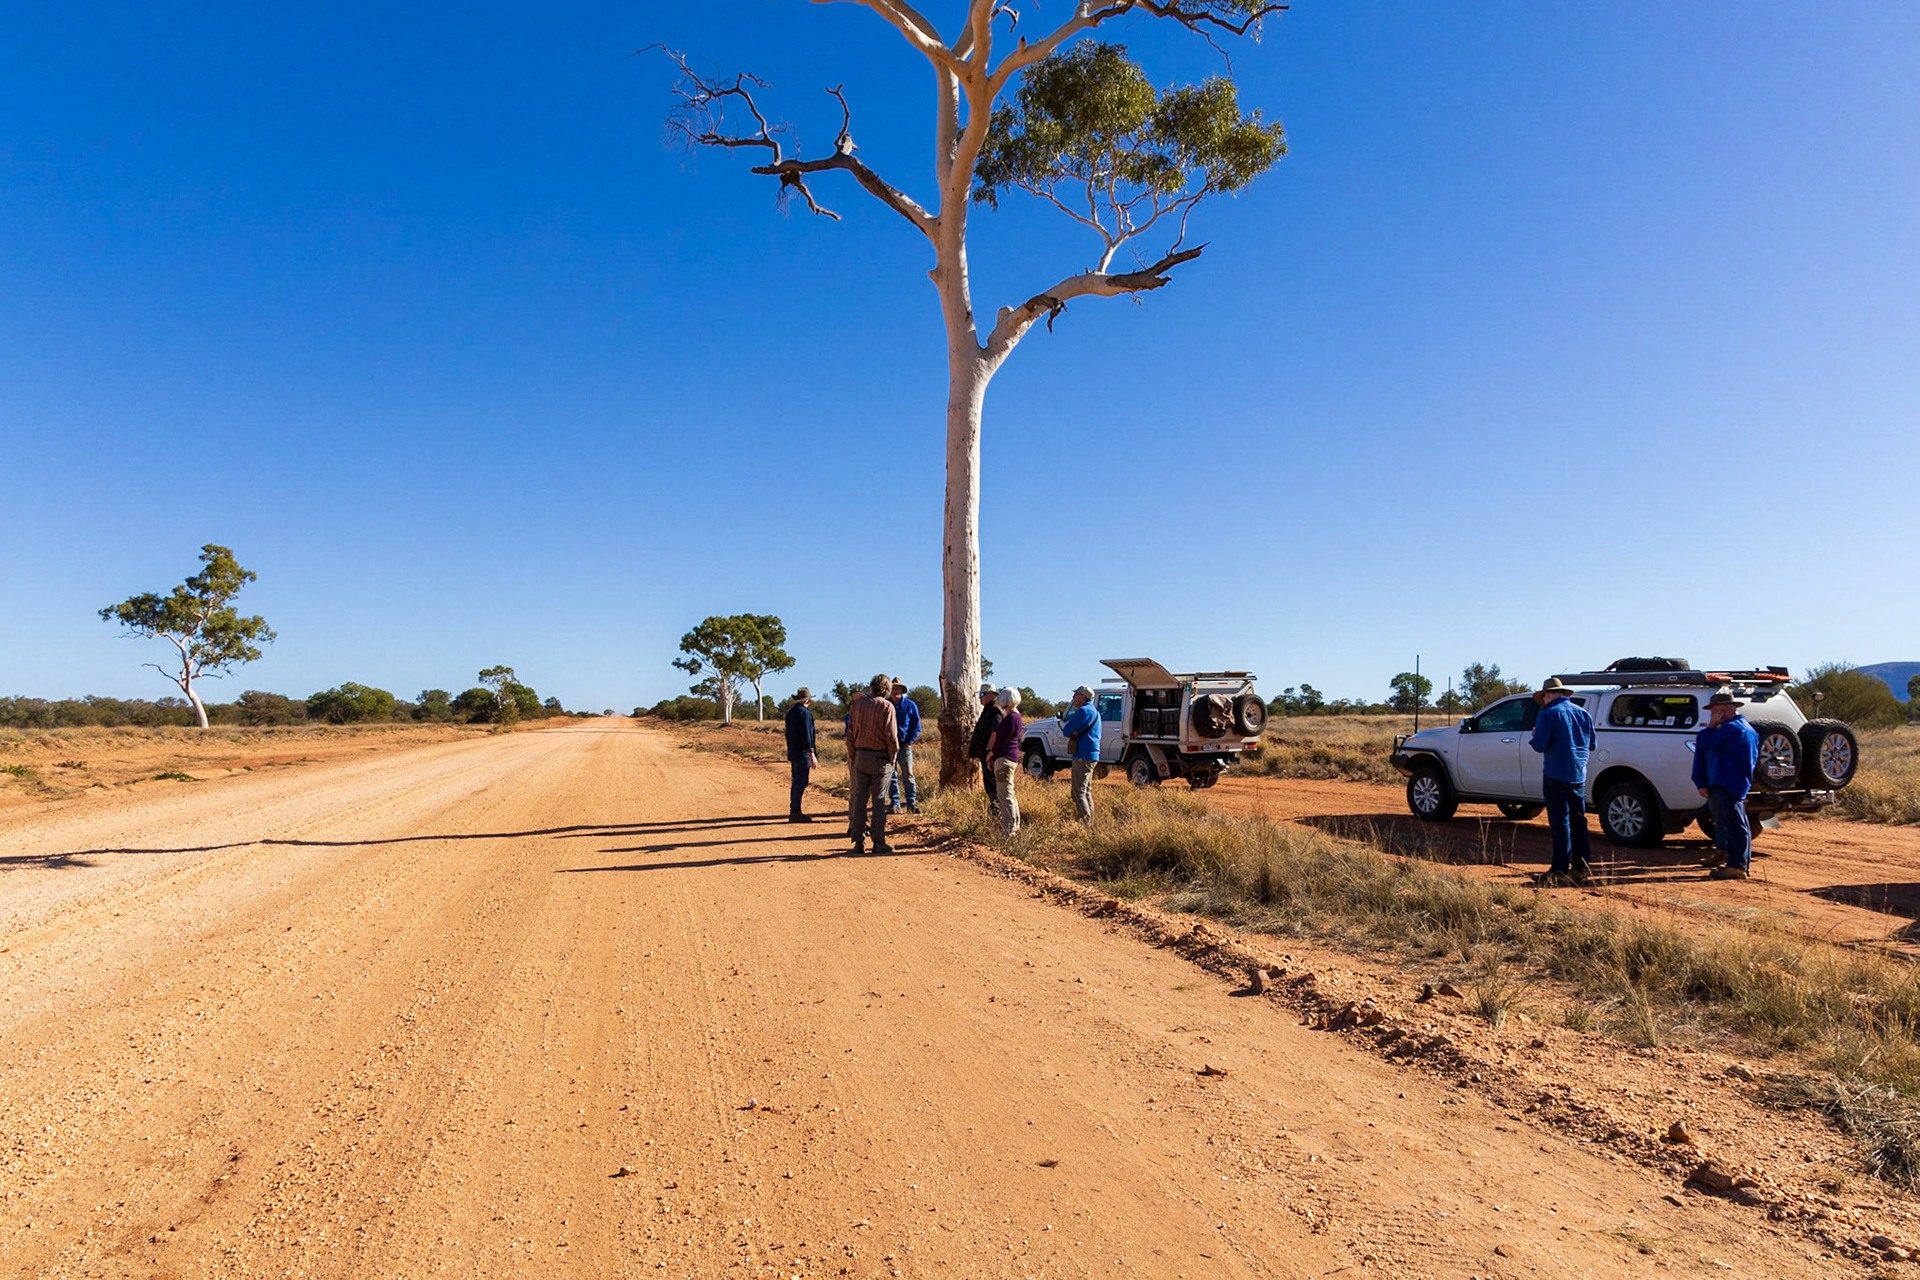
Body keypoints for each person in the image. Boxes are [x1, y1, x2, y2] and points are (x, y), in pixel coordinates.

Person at [1527, 676, 1597, 886]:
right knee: (1579, 822)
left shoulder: (1548, 714)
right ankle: (1581, 867)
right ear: (1564, 694)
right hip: (1578, 775)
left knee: (1560, 823)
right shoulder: (1583, 714)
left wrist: (1534, 735)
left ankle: (1559, 869)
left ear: (1547, 694)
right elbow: (1592, 744)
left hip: (1555, 774)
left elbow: (1540, 745)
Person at [1693, 691, 1760, 880]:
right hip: (1732, 782)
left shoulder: (1730, 730)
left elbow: (1704, 742)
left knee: (1735, 825)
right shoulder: (1746, 728)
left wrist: (1711, 726)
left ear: (1722, 711)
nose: (1711, 717)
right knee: (1731, 823)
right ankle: (1731, 859)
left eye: (1714, 712)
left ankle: (1736, 866)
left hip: (1726, 782)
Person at [844, 674, 900, 855]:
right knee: (879, 800)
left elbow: (850, 733)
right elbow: (891, 736)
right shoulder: (886, 706)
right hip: (880, 759)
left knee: (861, 799)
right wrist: (893, 756)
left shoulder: (858, 705)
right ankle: (878, 841)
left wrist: (854, 754)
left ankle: (858, 841)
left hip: (860, 756)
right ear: (886, 689)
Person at [1059, 684, 1100, 823]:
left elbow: (1066, 730)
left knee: (1078, 793)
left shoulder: (1083, 711)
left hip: (1082, 755)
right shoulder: (1095, 711)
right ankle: (1090, 823)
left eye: (1076, 695)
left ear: (1082, 697)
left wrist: (1073, 731)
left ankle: (1085, 825)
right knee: (1086, 791)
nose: (1073, 698)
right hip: (1091, 754)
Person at [988, 686, 1024, 839]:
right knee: (1008, 793)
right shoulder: (1016, 716)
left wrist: (990, 755)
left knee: (1005, 794)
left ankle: (1009, 830)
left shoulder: (1011, 718)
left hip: (1004, 758)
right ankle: (1013, 827)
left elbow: (1000, 741)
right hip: (1010, 758)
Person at [966, 681, 1002, 817]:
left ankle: (997, 811)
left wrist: (990, 752)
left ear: (991, 695)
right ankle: (995, 809)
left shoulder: (994, 710)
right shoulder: (988, 709)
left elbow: (995, 732)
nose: (980, 697)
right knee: (989, 783)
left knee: (992, 783)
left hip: (990, 755)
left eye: (982, 694)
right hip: (985, 754)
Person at [783, 687, 817, 823]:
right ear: (808, 700)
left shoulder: (790, 713)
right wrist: (812, 754)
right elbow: (807, 735)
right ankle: (795, 812)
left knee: (796, 781)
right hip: (802, 753)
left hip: (793, 751)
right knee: (801, 782)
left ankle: (794, 810)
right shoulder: (805, 714)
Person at [887, 679, 922, 814]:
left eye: (898, 689)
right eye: (893, 688)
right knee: (891, 774)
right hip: (888, 746)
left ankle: (911, 802)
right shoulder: (886, 704)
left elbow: (916, 725)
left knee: (908, 774)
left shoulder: (910, 705)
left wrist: (909, 741)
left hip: (904, 746)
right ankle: (895, 803)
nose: (895, 691)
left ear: (902, 691)